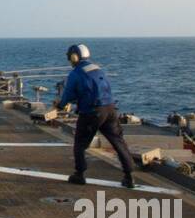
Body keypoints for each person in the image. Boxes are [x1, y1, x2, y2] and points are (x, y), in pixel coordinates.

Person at [47, 43, 135, 189]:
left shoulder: (75, 73)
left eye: (70, 57)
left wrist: (60, 105)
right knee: (118, 142)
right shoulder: (98, 69)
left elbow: (68, 94)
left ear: (74, 57)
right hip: (110, 110)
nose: (70, 60)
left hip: (91, 113)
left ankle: (79, 175)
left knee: (80, 144)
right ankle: (129, 176)